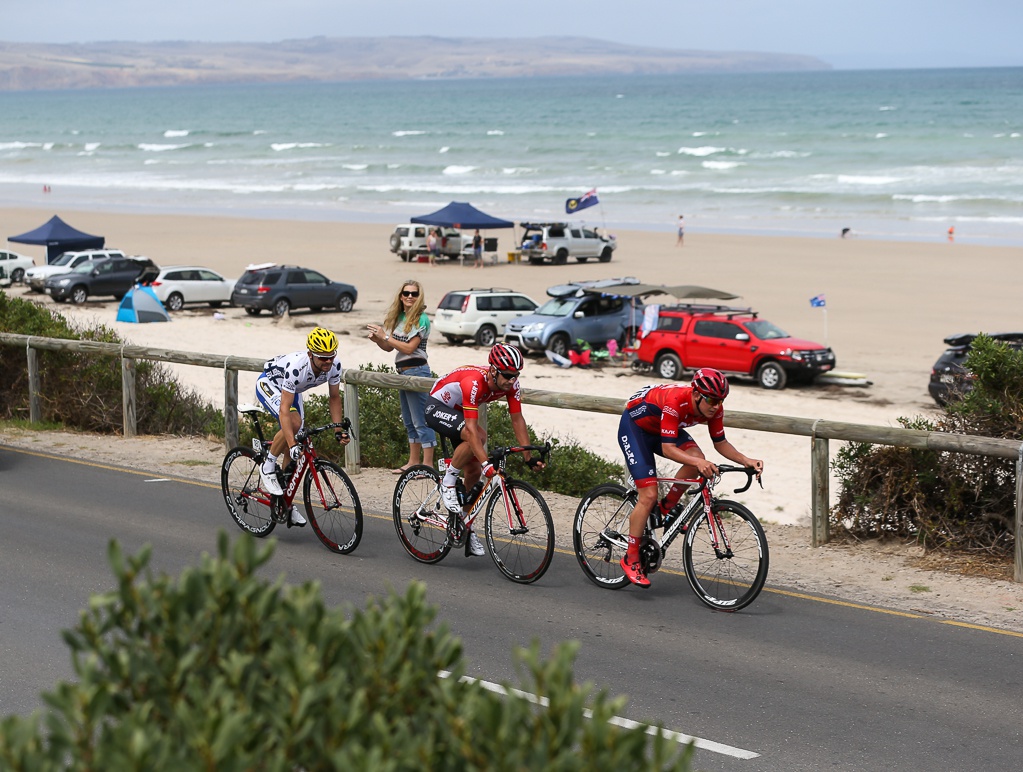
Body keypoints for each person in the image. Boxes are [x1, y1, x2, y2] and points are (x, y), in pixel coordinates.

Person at [616, 368, 763, 588]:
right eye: (712, 399)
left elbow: (720, 442)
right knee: (648, 495)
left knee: (697, 458)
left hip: (663, 429)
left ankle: (666, 508)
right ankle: (631, 557)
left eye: (721, 400)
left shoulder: (714, 408)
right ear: (696, 394)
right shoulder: (676, 401)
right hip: (636, 429)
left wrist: (745, 460)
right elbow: (668, 449)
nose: (716, 405)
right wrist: (699, 464)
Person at [424, 343, 546, 556]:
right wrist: (487, 463)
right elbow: (471, 431)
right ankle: (448, 480)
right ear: (493, 371)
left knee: (473, 473)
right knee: (480, 437)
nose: (511, 380)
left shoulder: (511, 385)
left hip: (459, 413)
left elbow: (517, 419)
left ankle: (465, 526)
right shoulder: (474, 382)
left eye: (515, 375)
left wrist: (528, 456)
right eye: (507, 375)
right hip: (438, 407)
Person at [255, 327, 350, 525]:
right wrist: (291, 443)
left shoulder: (334, 365)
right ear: (310, 355)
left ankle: (284, 503)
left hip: (293, 390)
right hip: (270, 384)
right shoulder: (297, 367)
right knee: (294, 425)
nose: (328, 361)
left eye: (331, 356)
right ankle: (268, 464)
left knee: (296, 445)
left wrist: (338, 430)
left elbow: (334, 397)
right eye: (322, 357)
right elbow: (284, 410)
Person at [367, 279, 436, 474]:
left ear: (419, 296)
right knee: (409, 420)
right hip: (404, 372)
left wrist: (385, 336)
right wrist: (378, 340)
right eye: (406, 293)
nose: (409, 297)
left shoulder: (421, 319)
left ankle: (428, 464)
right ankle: (413, 461)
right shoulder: (400, 319)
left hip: (417, 371)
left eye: (414, 294)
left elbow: (409, 347)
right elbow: (390, 348)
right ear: (401, 295)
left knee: (421, 419)